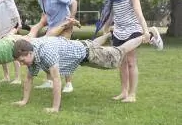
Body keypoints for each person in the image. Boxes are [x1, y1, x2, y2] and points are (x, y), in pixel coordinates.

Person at [12, 26, 163, 113]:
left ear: (30, 53)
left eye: (22, 60)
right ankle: (111, 33)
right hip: (82, 47)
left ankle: (147, 35)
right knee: (92, 44)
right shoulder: (32, 50)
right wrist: (24, 101)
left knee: (118, 54)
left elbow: (57, 80)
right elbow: (28, 79)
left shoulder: (45, 52)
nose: (23, 63)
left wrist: (55, 108)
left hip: (88, 54)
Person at [0, 18, 81, 99]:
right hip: (6, 41)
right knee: (36, 35)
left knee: (42, 37)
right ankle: (18, 27)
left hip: (13, 44)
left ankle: (65, 24)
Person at [95, 0, 164, 103]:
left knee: (131, 61)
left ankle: (132, 94)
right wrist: (106, 26)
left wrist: (144, 31)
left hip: (133, 28)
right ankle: (124, 92)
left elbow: (139, 13)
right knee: (122, 62)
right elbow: (111, 12)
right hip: (119, 29)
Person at [28, 0, 78, 93]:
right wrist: (40, 24)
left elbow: (73, 2)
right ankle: (50, 81)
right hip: (52, 28)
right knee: (45, 51)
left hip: (65, 27)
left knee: (63, 53)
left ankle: (69, 84)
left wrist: (71, 18)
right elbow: (46, 14)